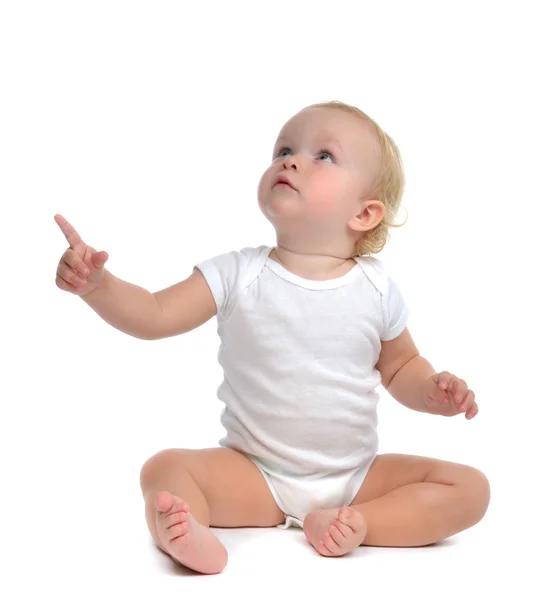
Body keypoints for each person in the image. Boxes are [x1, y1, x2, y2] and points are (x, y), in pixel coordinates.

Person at [54, 100, 490, 575]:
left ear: (364, 214)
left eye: (324, 155)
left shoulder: (377, 287)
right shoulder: (238, 273)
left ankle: (357, 522)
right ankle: (189, 534)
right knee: (161, 470)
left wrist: (433, 391)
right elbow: (155, 314)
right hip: (253, 475)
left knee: (471, 489)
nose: (291, 159)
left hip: (357, 478)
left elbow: (402, 366)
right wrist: (99, 288)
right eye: (284, 148)